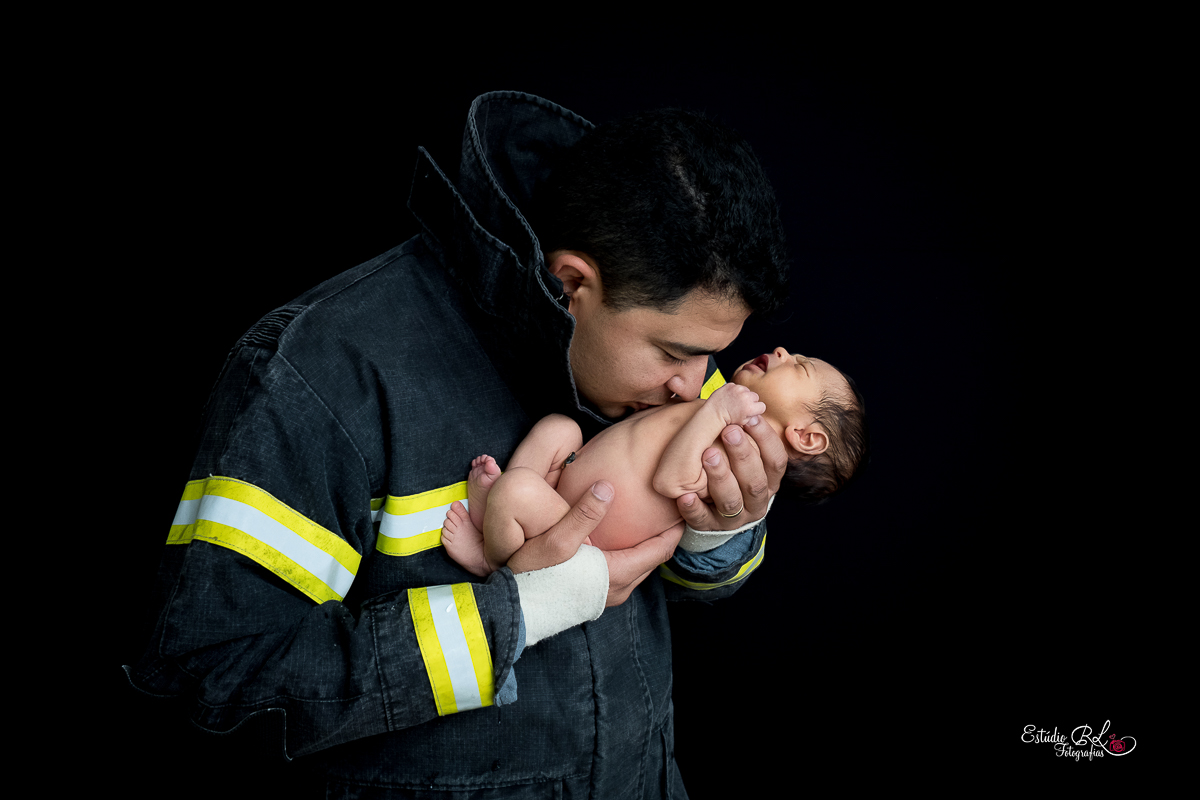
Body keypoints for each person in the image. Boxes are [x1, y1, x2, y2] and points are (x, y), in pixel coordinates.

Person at [127, 92, 791, 798]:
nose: (697, 389)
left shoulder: (671, 368)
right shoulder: (322, 376)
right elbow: (215, 691)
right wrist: (518, 613)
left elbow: (688, 582)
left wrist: (722, 531)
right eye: (676, 354)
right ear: (572, 284)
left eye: (710, 358)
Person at [443, 349, 867, 576]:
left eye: (800, 367)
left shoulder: (739, 463)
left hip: (577, 531)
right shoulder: (716, 400)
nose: (782, 351)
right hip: (566, 488)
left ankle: (491, 561)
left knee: (518, 488)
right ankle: (498, 515)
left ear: (806, 437)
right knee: (558, 428)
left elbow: (671, 481)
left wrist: (716, 413)